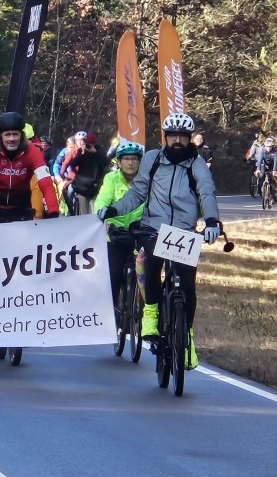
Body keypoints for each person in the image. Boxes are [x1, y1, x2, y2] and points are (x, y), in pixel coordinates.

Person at [98, 113, 220, 370]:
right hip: (153, 226)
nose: (177, 140)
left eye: (182, 136)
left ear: (190, 139)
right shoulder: (152, 159)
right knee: (149, 263)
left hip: (184, 230)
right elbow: (138, 192)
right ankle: (151, 314)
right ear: (165, 137)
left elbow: (206, 192)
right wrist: (115, 210)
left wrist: (211, 221)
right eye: (172, 135)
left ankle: (187, 337)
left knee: (187, 283)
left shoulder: (196, 164)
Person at [0, 112, 59, 224]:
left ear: (21, 135)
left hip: (19, 204)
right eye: (7, 134)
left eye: (15, 134)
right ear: (0, 136)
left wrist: (53, 211)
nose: (11, 138)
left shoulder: (32, 152)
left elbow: (45, 183)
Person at [95, 141, 145, 318]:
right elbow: (102, 200)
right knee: (113, 274)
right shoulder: (111, 178)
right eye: (126, 159)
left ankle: (149, 312)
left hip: (142, 232)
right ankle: (111, 313)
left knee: (149, 272)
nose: (130, 163)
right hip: (117, 232)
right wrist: (102, 216)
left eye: (134, 159)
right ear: (119, 161)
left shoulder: (148, 180)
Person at [61, 132, 108, 215]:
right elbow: (74, 163)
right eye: (87, 144)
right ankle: (70, 212)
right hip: (82, 188)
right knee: (83, 213)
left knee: (95, 212)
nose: (89, 147)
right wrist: (81, 152)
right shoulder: (81, 151)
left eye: (90, 144)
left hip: (95, 187)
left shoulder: (99, 151)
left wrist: (95, 152)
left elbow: (105, 163)